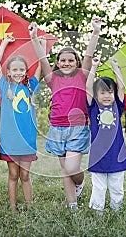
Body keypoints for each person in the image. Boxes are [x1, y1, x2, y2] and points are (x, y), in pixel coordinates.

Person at [30, 17, 102, 210]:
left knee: (71, 168)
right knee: (64, 170)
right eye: (63, 60)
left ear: (77, 63)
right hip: (57, 128)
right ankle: (72, 206)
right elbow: (42, 59)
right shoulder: (52, 79)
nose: (67, 63)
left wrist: (95, 32)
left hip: (77, 128)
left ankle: (80, 182)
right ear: (58, 63)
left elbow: (88, 55)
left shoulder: (82, 75)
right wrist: (34, 38)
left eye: (71, 60)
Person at [0, 35, 42, 211]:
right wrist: (5, 43)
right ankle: (13, 207)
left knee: (25, 174)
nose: (18, 72)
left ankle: (30, 206)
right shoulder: (5, 87)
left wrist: (40, 45)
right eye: (14, 69)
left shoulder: (30, 88)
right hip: (10, 140)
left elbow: (40, 67)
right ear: (8, 72)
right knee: (13, 174)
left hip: (27, 139)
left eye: (21, 69)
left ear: (25, 71)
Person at [86, 57, 126, 214]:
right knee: (99, 186)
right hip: (98, 154)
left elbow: (122, 87)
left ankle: (116, 209)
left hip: (117, 153)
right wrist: (93, 67)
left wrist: (115, 67)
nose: (106, 96)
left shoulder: (117, 107)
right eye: (103, 92)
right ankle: (97, 211)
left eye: (109, 92)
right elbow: (88, 87)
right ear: (96, 95)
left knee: (116, 185)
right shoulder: (93, 107)